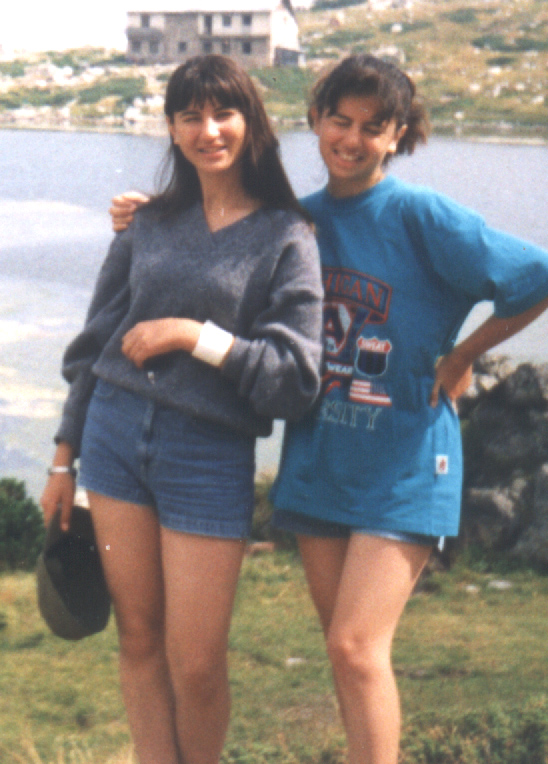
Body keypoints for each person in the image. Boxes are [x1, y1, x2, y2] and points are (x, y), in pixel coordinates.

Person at [109, 54, 548, 764]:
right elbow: (216, 241)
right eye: (339, 121)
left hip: (405, 461)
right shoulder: (298, 221)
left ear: (399, 134)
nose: (351, 139)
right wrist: (146, 212)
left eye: (373, 127)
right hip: (321, 461)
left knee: (355, 647)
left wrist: (463, 354)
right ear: (314, 120)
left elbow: (535, 276)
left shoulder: (421, 216)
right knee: (343, 655)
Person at [41, 54, 323, 764]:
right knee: (138, 638)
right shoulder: (147, 222)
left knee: (196, 663)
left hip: (208, 453)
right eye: (190, 116)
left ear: (251, 121)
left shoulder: (288, 235)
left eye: (224, 113)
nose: (208, 130)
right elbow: (95, 344)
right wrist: (63, 459)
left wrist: (196, 337)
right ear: (170, 128)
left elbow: (295, 380)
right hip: (112, 437)